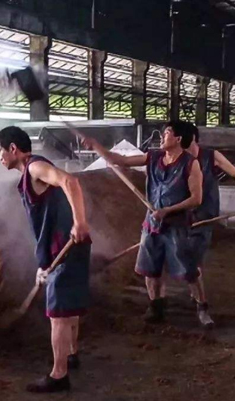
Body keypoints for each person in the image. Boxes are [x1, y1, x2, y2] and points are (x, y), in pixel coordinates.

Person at [0, 126, 91, 393]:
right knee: (68, 306)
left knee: (58, 314)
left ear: (13, 148)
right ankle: (72, 354)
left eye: (0, 151)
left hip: (67, 245)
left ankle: (59, 375)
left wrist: (80, 222)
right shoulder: (29, 174)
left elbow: (71, 181)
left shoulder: (35, 167)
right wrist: (43, 261)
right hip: (60, 247)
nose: (0, 158)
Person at [82, 121, 203, 325]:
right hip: (152, 225)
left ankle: (202, 305)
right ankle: (156, 306)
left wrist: (167, 210)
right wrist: (97, 147)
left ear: (178, 139)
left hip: (177, 226)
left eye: (166, 133)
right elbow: (120, 160)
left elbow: (196, 198)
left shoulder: (191, 164)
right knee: (150, 268)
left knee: (188, 269)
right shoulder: (153, 157)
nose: (161, 137)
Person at [183, 123, 235, 327]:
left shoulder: (210, 157)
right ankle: (183, 295)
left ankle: (202, 307)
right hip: (179, 217)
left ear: (192, 139)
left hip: (204, 217)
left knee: (192, 259)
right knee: (183, 259)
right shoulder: (174, 159)